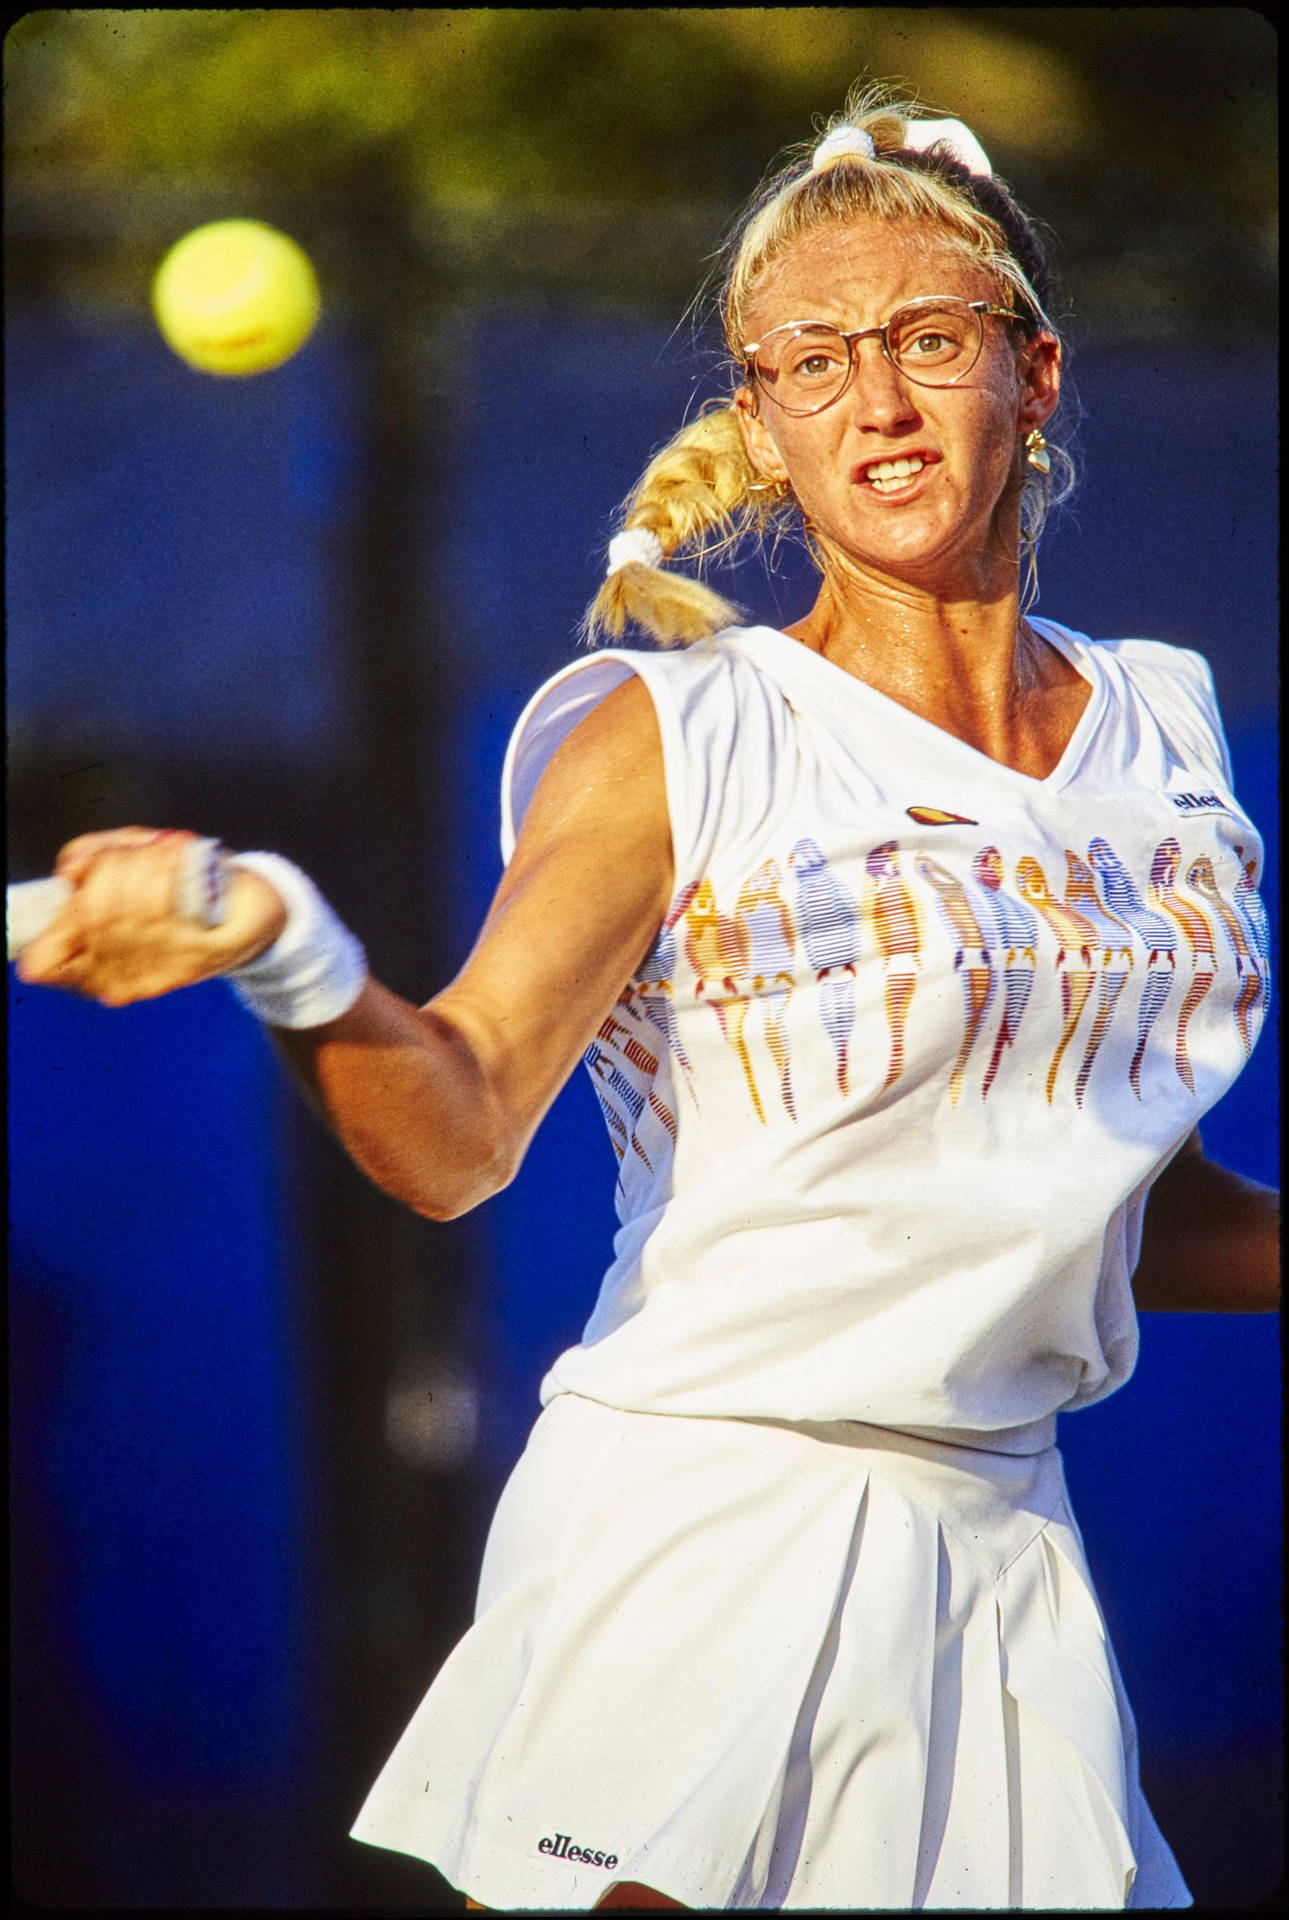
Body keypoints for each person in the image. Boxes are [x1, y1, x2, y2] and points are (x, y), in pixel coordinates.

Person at [16, 86, 1278, 1912]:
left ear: (1037, 373)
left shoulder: (1164, 723)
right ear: (760, 419)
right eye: (813, 359)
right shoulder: (674, 735)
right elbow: (451, 1133)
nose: (878, 399)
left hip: (1003, 1536)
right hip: (708, 1518)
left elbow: (1085, 1190)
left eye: (927, 340)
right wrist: (287, 943)